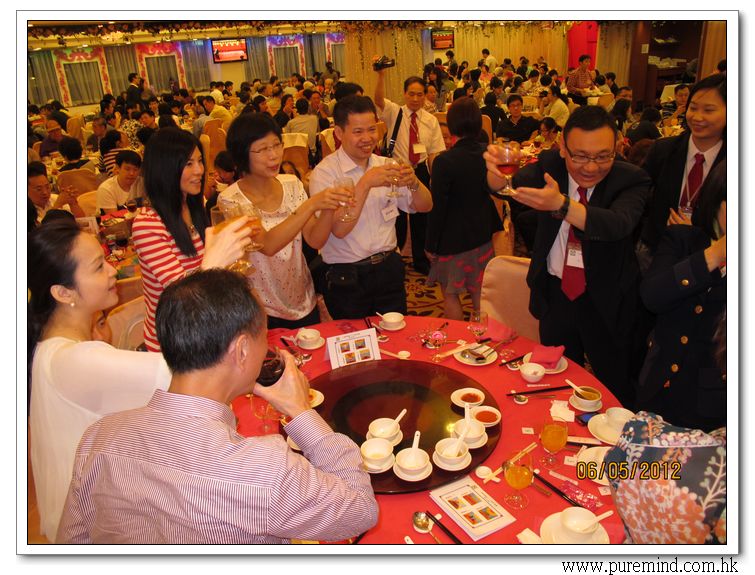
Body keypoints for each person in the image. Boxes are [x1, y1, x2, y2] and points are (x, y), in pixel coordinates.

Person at [56, 269, 378, 544]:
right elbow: (360, 509)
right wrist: (301, 410)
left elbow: (73, 544)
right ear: (242, 350)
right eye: (264, 336)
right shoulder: (265, 470)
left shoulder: (98, 437)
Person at [484, 105, 651, 407]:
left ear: (617, 146)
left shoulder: (631, 179)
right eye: (580, 156)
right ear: (562, 147)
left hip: (607, 298)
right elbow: (507, 186)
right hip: (557, 292)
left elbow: (618, 224)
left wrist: (561, 205)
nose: (591, 167)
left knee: (615, 383)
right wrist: (495, 173)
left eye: (603, 156)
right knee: (556, 376)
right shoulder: (551, 165)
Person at [27, 220, 171, 542]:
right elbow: (191, 374)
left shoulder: (51, 347)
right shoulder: (76, 360)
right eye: (98, 267)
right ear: (63, 292)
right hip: (96, 528)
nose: (112, 271)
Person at [221, 113, 350, 329]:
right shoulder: (231, 199)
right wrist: (311, 205)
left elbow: (315, 239)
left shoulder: (292, 184)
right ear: (242, 154)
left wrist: (328, 207)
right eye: (263, 149)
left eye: (276, 145)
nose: (274, 155)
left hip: (302, 297)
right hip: (262, 307)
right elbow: (267, 245)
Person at [309, 95, 432, 319]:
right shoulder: (325, 173)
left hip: (389, 268)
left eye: (372, 129)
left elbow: (425, 206)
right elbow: (339, 230)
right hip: (347, 275)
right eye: (358, 132)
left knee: (395, 334)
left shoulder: (386, 165)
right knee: (355, 339)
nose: (367, 138)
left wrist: (414, 182)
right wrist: (365, 184)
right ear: (339, 133)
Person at [132, 128, 251, 352]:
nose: (199, 170)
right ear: (165, 168)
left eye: (200, 161)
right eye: (188, 164)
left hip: (206, 327)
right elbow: (183, 296)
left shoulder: (194, 208)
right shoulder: (147, 224)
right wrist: (218, 260)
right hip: (175, 341)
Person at [636, 160, 726, 432]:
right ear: (717, 202)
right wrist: (715, 255)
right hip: (659, 385)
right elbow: (652, 296)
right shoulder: (683, 239)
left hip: (711, 405)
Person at [425, 98, 502, 319]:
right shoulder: (487, 153)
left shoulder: (444, 161)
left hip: (452, 239)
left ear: (451, 125)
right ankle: (483, 335)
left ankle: (458, 337)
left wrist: (430, 244)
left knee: (450, 294)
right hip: (482, 234)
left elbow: (438, 208)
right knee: (479, 291)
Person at [639, 74, 726, 256]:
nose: (697, 117)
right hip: (657, 250)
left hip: (708, 256)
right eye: (693, 108)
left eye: (709, 110)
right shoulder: (663, 150)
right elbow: (640, 194)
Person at [374, 67, 445, 276]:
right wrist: (381, 76)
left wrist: (435, 179)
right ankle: (394, 260)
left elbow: (433, 152)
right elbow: (378, 99)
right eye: (411, 94)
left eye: (419, 94)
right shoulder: (395, 112)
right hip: (397, 170)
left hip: (419, 171)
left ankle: (421, 261)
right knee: (396, 218)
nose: (415, 99)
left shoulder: (430, 120)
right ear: (404, 94)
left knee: (421, 219)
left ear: (425, 95)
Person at [95, 150, 145, 214]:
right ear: (117, 168)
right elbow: (114, 217)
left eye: (135, 169)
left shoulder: (142, 183)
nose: (132, 173)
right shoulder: (106, 189)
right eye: (127, 169)